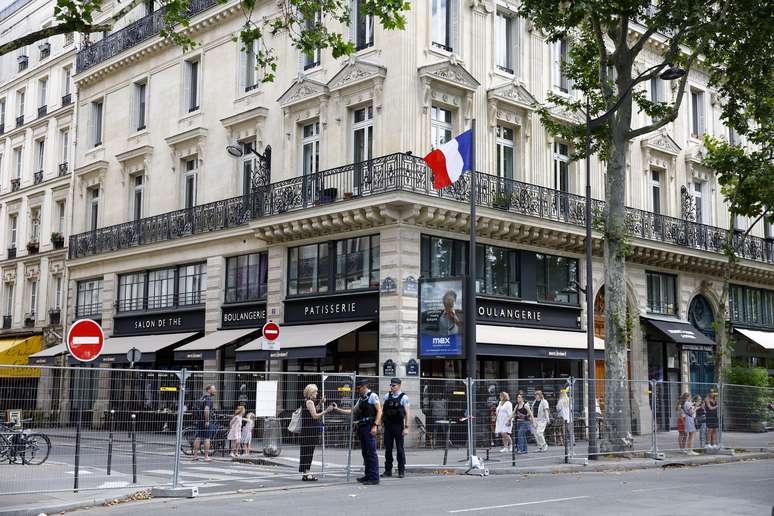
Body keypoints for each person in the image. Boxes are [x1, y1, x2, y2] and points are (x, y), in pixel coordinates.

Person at [334, 378, 382, 485]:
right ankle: (368, 475)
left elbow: (379, 410)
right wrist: (337, 409)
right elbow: (352, 411)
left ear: (365, 386)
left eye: (359, 388)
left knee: (371, 452)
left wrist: (375, 425)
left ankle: (374, 477)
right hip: (362, 426)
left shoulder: (372, 396)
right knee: (365, 452)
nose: (357, 390)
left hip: (369, 426)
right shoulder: (361, 398)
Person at [299, 384, 334, 481]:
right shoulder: (310, 402)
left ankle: (306, 473)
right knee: (308, 451)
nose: (317, 393)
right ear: (311, 393)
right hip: (310, 430)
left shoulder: (308, 401)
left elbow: (314, 410)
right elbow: (315, 416)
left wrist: (320, 403)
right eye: (316, 392)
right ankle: (307, 473)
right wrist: (326, 411)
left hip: (308, 430)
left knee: (307, 451)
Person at [382, 378, 410, 478]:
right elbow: (383, 411)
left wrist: (406, 427)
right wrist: (382, 425)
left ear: (399, 385)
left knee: (400, 449)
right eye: (391, 385)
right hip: (388, 426)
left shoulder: (404, 397)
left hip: (398, 426)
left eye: (393, 385)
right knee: (388, 449)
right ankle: (388, 470)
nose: (392, 387)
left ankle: (401, 471)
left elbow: (407, 413)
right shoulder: (387, 396)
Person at [192, 384, 216, 462]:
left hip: (199, 420)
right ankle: (206, 456)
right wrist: (207, 421)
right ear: (209, 390)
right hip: (205, 421)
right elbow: (206, 410)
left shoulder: (202, 398)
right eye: (213, 389)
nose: (215, 390)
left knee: (198, 437)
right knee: (207, 438)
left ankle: (195, 456)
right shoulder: (209, 399)